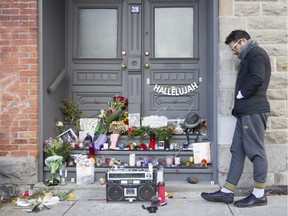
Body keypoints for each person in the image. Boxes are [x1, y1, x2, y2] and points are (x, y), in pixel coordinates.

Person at [201, 30, 271, 208]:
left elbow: (257, 78)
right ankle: (227, 192)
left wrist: (241, 94)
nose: (234, 52)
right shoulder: (249, 56)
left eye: (234, 47)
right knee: (237, 151)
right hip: (245, 113)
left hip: (253, 111)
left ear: (243, 41)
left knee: (255, 151)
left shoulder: (256, 53)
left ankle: (259, 194)